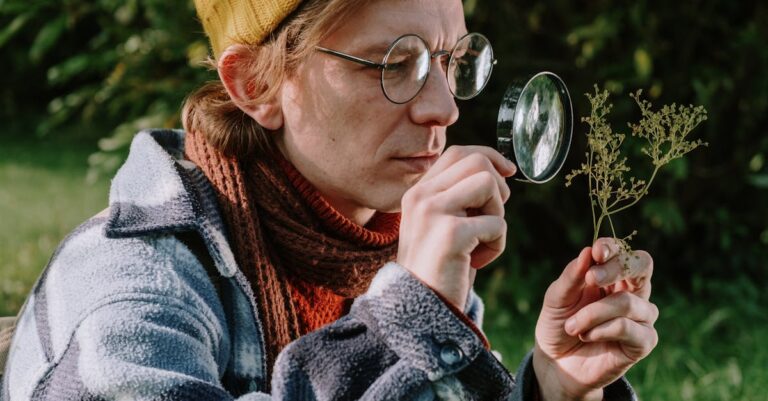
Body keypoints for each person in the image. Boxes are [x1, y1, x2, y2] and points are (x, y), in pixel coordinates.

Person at [1, 0, 658, 400]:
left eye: (452, 61)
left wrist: (554, 389)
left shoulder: (386, 248)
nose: (444, 108)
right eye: (394, 63)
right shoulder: (131, 285)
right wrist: (409, 318)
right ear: (255, 84)